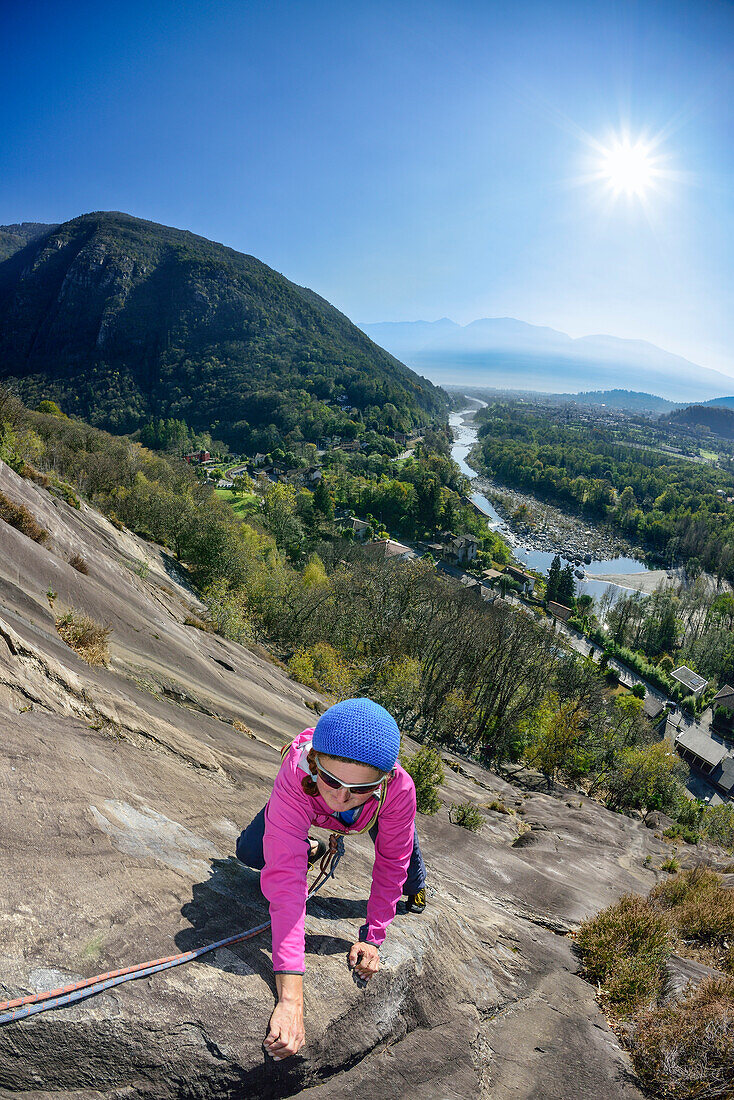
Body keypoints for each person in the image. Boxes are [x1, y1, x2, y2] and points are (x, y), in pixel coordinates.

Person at [236, 697, 427, 1061]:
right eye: (331, 779)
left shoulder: (397, 791)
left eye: (358, 788)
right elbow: (287, 887)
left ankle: (418, 887)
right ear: (314, 762)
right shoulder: (297, 769)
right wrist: (290, 998)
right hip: (300, 800)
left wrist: (374, 937)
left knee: (404, 867)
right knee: (249, 853)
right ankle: (302, 843)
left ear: (383, 780)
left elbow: (390, 861)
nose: (341, 797)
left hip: (378, 814)